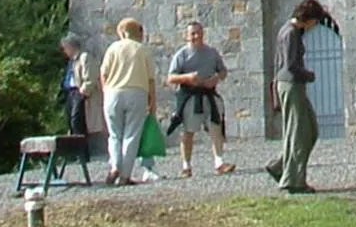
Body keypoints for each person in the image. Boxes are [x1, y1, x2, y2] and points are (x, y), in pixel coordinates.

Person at [265, 0, 326, 193]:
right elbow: (291, 66)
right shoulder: (291, 33)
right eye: (315, 21)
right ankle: (293, 180)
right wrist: (309, 75)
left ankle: (280, 166)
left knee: (308, 130)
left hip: (288, 84)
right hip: (292, 85)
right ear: (308, 18)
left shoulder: (287, 30)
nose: (314, 25)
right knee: (299, 132)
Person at [164, 19, 236, 176]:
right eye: (193, 34)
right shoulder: (181, 55)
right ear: (187, 36)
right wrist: (188, 77)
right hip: (189, 95)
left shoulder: (212, 52)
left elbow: (223, 71)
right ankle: (186, 166)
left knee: (216, 127)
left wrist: (216, 79)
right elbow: (170, 78)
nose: (197, 36)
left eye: (199, 33)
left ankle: (219, 162)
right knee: (188, 131)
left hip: (209, 94)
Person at [99, 18, 157, 186]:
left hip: (113, 92)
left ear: (122, 32)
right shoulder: (143, 50)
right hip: (137, 92)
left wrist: (106, 92)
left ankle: (115, 166)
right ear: (137, 33)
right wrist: (152, 101)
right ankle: (124, 175)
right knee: (131, 135)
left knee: (114, 134)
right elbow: (151, 79)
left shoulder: (113, 48)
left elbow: (103, 74)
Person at [58, 32, 104, 154]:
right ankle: (75, 152)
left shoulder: (85, 57)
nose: (64, 51)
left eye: (65, 48)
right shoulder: (72, 61)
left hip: (80, 93)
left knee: (77, 122)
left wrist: (83, 93)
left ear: (71, 46)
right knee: (71, 123)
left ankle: (82, 153)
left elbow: (91, 77)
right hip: (70, 93)